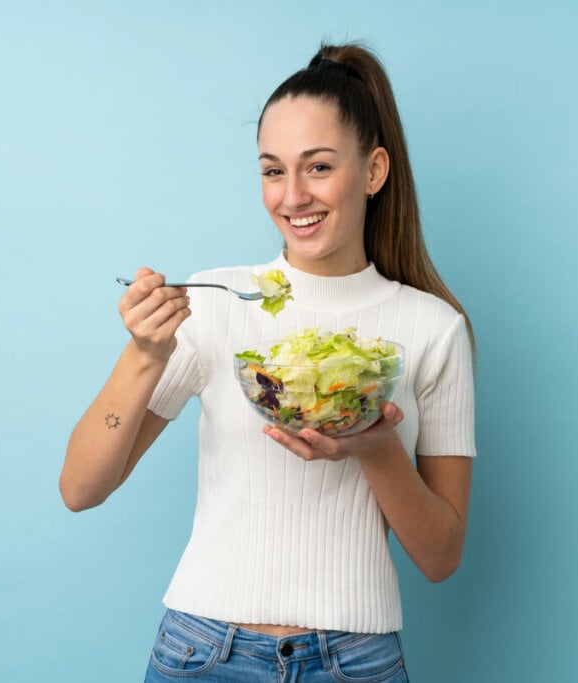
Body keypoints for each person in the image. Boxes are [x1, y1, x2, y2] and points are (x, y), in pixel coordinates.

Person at [60, 42, 476, 682]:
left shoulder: (433, 329)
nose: (292, 196)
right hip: (202, 655)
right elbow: (81, 489)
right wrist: (144, 355)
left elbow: (442, 556)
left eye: (317, 167)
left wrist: (376, 448)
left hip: (355, 663)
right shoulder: (218, 304)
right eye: (272, 170)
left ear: (373, 170)